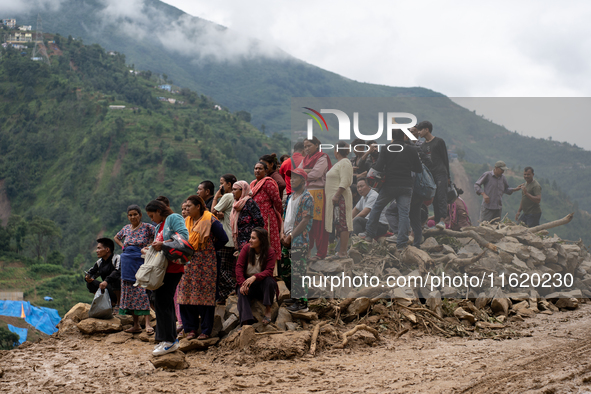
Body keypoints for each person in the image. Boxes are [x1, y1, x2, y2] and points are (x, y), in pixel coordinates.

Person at [177, 195, 228, 340]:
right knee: (186, 295)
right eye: (185, 207)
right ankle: (190, 329)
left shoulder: (210, 219)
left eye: (189, 206)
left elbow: (223, 238)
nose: (186, 209)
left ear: (198, 206)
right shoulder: (186, 222)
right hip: (187, 263)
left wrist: (209, 249)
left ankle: (206, 330)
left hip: (205, 264)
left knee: (205, 295)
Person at [364, 129, 422, 250]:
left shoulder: (386, 148)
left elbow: (379, 166)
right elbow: (418, 169)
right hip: (406, 186)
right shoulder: (411, 149)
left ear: (392, 137)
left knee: (377, 208)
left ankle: (369, 235)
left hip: (389, 185)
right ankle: (401, 243)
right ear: (404, 137)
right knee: (404, 214)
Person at [145, 200, 189, 356]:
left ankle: (168, 341)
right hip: (163, 269)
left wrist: (162, 244)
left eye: (152, 216)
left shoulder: (174, 218)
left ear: (158, 211)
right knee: (163, 302)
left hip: (173, 268)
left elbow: (183, 237)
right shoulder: (159, 226)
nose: (152, 219)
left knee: (162, 302)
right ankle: (168, 340)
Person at [114, 205, 155, 334]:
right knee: (130, 292)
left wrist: (149, 247)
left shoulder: (147, 227)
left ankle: (148, 324)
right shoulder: (126, 228)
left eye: (135, 214)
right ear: (128, 217)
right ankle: (136, 324)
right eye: (130, 215)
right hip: (126, 263)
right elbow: (116, 237)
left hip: (140, 261)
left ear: (140, 215)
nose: (133, 217)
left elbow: (159, 235)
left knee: (143, 291)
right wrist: (122, 247)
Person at [280, 168, 314, 313]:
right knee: (285, 270)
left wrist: (290, 236)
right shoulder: (290, 197)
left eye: (295, 178)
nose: (291, 180)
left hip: (298, 240)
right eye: (291, 178)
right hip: (286, 237)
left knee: (299, 271)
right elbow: (284, 217)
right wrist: (282, 232)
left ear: (303, 180)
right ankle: (295, 297)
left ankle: (303, 303)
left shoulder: (307, 198)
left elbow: (305, 221)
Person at [235, 228, 278, 326]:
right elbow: (239, 267)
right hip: (248, 282)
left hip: (261, 283)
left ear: (261, 240)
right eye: (250, 237)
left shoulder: (270, 252)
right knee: (242, 292)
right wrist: (242, 283)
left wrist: (255, 277)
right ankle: (246, 322)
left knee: (270, 282)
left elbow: (269, 271)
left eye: (253, 238)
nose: (250, 240)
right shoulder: (246, 249)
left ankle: (268, 309)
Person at [298, 137, 332, 260]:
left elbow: (316, 174)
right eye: (305, 146)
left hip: (319, 193)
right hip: (307, 191)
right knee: (307, 223)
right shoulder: (306, 159)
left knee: (319, 223)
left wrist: (305, 172)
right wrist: (307, 171)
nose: (306, 149)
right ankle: (308, 252)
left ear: (317, 145)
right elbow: (298, 172)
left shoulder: (322, 157)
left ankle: (321, 253)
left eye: (309, 146)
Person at [417, 121, 450, 229]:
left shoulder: (439, 142)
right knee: (434, 198)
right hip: (430, 176)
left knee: (441, 196)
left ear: (427, 129)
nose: (419, 132)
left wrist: (448, 176)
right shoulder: (423, 146)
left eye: (420, 130)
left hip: (441, 173)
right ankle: (436, 222)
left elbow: (445, 159)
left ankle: (442, 220)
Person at [211, 174, 238, 303]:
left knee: (220, 269)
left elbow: (212, 213)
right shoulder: (236, 196)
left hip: (225, 237)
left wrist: (216, 197)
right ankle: (224, 296)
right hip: (232, 238)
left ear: (228, 184)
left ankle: (233, 288)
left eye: (222, 183)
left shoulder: (227, 196)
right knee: (227, 268)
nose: (220, 186)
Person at [324, 142, 353, 260]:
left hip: (340, 197)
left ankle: (342, 252)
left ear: (336, 151)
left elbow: (345, 180)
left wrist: (336, 195)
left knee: (343, 223)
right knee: (338, 223)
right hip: (336, 198)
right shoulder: (340, 163)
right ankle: (338, 251)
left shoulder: (345, 162)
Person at [250, 162, 283, 261]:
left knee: (268, 242)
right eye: (256, 168)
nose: (257, 170)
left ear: (265, 171)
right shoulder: (252, 184)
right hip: (255, 218)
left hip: (267, 218)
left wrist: (276, 214)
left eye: (260, 169)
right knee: (256, 241)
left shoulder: (268, 183)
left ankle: (271, 269)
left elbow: (277, 201)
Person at [230, 180, 265, 254]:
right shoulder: (236, 204)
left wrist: (254, 237)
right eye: (232, 189)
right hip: (240, 240)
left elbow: (259, 222)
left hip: (250, 241)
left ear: (242, 190)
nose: (233, 192)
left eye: (235, 189)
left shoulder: (250, 203)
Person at [85, 238, 121, 308]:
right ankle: (104, 301)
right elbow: (91, 272)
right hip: (107, 288)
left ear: (107, 250)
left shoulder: (117, 258)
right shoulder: (99, 262)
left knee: (117, 278)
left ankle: (118, 304)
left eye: (99, 248)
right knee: (90, 283)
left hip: (121, 290)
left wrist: (106, 281)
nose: (96, 251)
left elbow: (118, 271)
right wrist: (88, 277)